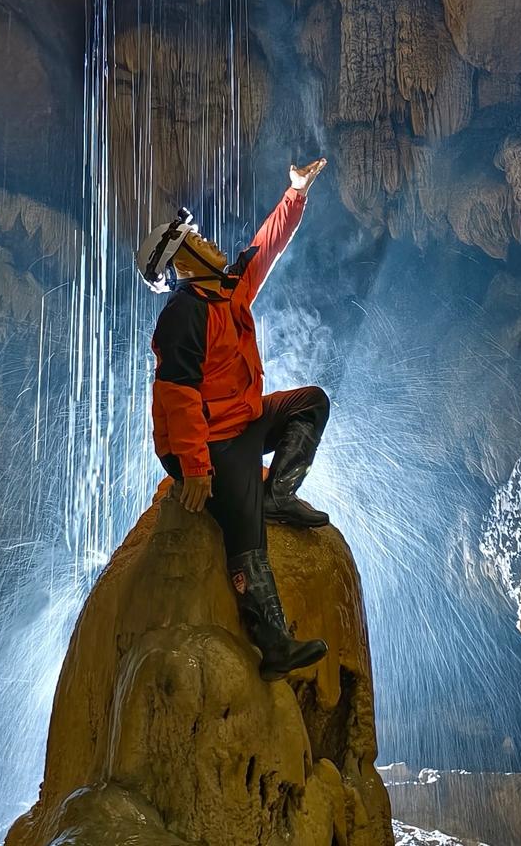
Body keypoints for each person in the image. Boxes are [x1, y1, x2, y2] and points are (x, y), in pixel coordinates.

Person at [136, 157, 331, 680]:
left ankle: (279, 495)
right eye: (196, 239)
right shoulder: (185, 313)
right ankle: (273, 645)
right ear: (183, 258)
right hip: (205, 444)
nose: (208, 240)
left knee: (310, 404)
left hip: (240, 420)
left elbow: (265, 249)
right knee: (247, 536)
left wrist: (295, 194)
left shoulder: (227, 289)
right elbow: (177, 394)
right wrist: (197, 469)